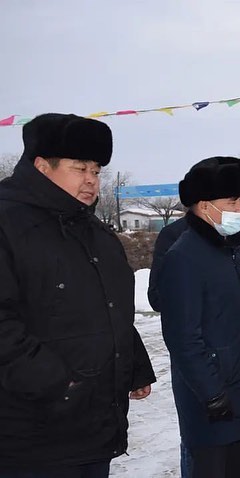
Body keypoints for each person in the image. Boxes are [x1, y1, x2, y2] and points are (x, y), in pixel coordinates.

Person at [0, 113, 156, 477]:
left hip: (94, 425)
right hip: (31, 432)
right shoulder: (7, 224)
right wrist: (58, 383)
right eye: (79, 168)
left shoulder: (94, 231)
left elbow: (110, 307)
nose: (91, 181)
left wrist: (134, 364)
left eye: (97, 171)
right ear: (42, 166)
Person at [157, 156, 240, 478]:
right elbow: (183, 337)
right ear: (204, 205)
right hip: (214, 397)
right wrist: (211, 391)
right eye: (232, 201)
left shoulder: (235, 247)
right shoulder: (184, 257)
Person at [146, 216, 192, 478]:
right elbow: (156, 296)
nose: (238, 209)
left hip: (238, 350)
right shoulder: (174, 235)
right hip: (192, 349)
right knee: (196, 433)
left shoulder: (235, 234)